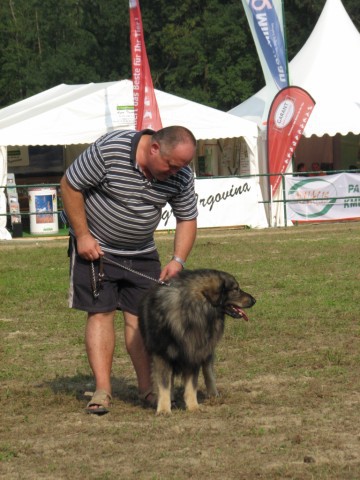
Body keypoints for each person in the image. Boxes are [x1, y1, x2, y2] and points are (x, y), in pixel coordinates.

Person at [60, 126, 198, 414]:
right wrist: (83, 235)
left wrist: (178, 260)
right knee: (101, 313)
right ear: (154, 148)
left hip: (142, 252)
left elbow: (187, 217)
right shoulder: (111, 149)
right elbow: (70, 185)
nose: (175, 173)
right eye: (171, 165)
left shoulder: (181, 174)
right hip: (97, 251)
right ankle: (102, 390)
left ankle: (148, 389)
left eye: (181, 167)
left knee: (141, 320)